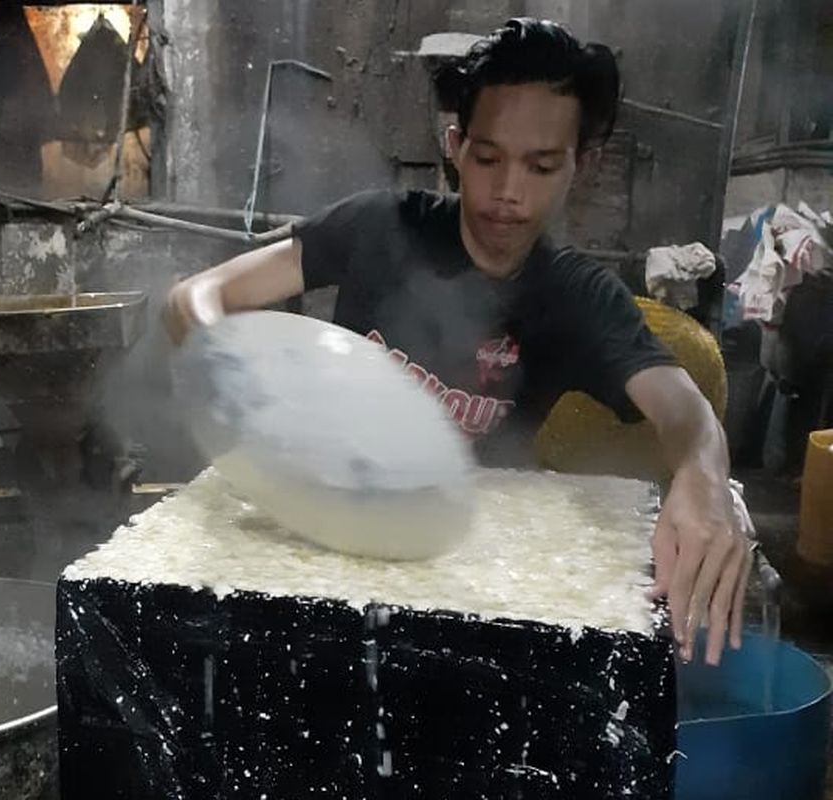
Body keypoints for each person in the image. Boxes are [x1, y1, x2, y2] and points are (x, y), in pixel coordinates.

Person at [162, 18, 751, 666]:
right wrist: (231, 369)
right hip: (319, 529)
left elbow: (681, 406)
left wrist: (705, 475)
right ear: (455, 146)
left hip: (464, 570)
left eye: (540, 165)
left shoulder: (577, 296)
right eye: (489, 157)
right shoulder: (379, 227)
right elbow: (196, 296)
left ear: (579, 166)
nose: (507, 192)